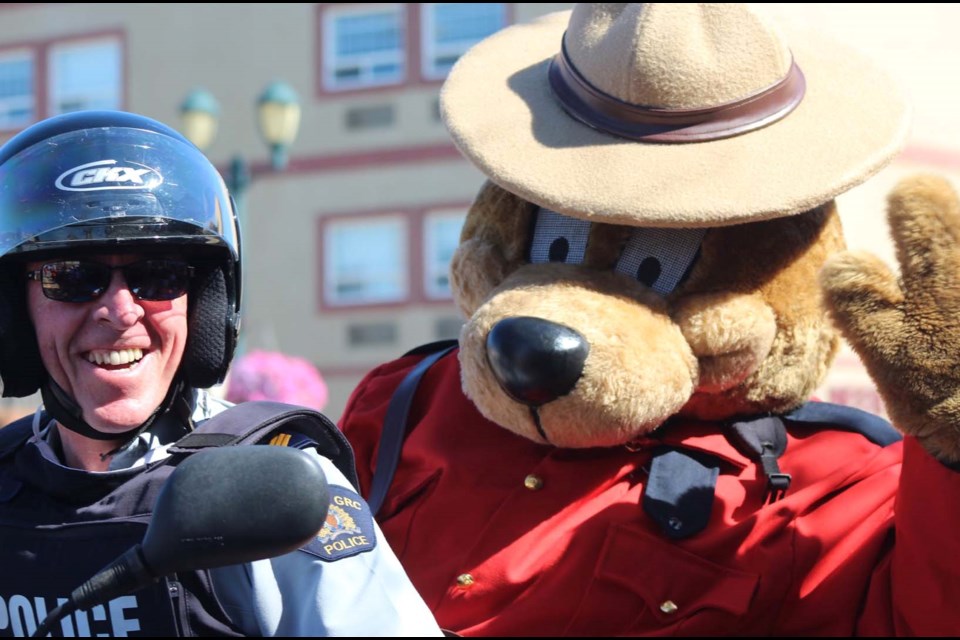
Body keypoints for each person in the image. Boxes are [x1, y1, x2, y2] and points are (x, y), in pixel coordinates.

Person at [0, 110, 443, 637]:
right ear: (15, 312)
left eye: (157, 276)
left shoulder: (273, 485)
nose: (120, 312)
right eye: (71, 277)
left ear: (204, 305)